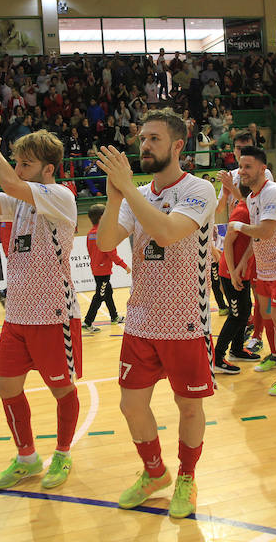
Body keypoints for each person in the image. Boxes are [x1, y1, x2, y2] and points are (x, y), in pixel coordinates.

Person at [95, 108, 216, 519]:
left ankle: (187, 477)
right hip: (141, 320)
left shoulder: (200, 189)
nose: (144, 146)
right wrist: (117, 196)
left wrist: (128, 190)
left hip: (186, 321)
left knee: (189, 407)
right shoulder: (137, 193)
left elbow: (166, 231)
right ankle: (154, 472)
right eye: (142, 138)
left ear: (178, 145)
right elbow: (107, 240)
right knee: (131, 406)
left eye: (154, 139)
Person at [0, 112, 82, 491]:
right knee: (7, 387)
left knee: (62, 390)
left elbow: (12, 183)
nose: (17, 168)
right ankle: (27, 458)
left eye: (25, 163)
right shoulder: (19, 201)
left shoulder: (60, 196)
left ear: (48, 168)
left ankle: (63, 454)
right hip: (17, 314)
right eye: (16, 161)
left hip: (53, 314)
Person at [229, 146, 276, 395]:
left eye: (247, 167)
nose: (242, 172)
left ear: (263, 168)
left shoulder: (273, 192)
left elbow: (265, 231)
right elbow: (257, 237)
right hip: (264, 269)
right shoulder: (251, 197)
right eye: (240, 167)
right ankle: (275, 354)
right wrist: (243, 262)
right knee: (266, 313)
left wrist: (238, 226)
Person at [214, 184, 259, 374]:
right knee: (236, 315)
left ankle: (237, 350)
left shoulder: (252, 209)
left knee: (245, 310)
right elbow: (229, 244)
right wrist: (232, 273)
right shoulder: (242, 211)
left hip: (243, 271)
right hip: (229, 272)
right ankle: (217, 358)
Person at [82, 203, 131, 333]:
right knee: (99, 296)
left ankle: (114, 316)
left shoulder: (90, 234)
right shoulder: (105, 234)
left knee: (107, 292)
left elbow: (91, 251)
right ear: (101, 218)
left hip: (96, 269)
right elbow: (112, 253)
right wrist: (124, 266)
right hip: (103, 272)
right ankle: (88, 322)